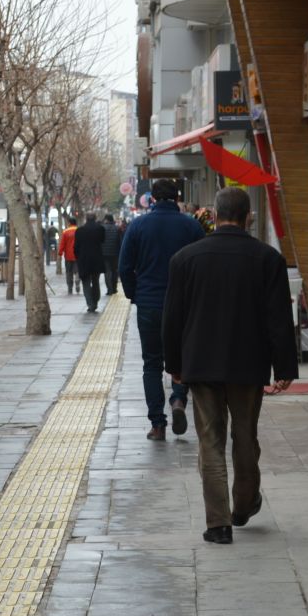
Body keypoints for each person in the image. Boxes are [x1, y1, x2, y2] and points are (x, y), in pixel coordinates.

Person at [163, 187, 296, 544]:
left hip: (201, 364)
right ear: (248, 216)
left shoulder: (185, 259)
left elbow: (172, 318)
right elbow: (279, 318)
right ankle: (243, 504)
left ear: (215, 214)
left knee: (210, 441)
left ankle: (218, 524)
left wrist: (174, 364)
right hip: (248, 365)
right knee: (245, 437)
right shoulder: (268, 259)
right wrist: (285, 367)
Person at [119, 178, 206, 441]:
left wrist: (135, 294)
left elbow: (124, 267)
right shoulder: (191, 226)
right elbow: (203, 263)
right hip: (183, 305)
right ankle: (178, 399)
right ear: (177, 197)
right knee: (182, 358)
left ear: (153, 199)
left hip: (149, 304)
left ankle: (158, 424)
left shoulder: (138, 226)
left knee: (152, 363)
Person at [74, 212, 105, 313]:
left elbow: (76, 247)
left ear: (86, 219)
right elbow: (102, 241)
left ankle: (90, 304)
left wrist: (78, 257)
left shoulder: (79, 230)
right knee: (96, 281)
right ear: (95, 218)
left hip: (84, 260)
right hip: (97, 259)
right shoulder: (100, 229)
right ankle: (95, 301)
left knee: (86, 282)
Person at [101, 214, 120, 295]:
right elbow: (120, 241)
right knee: (114, 271)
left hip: (104, 254)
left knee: (107, 272)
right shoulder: (117, 228)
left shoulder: (102, 228)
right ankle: (114, 288)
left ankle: (109, 289)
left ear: (106, 219)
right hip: (115, 253)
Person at [59, 216, 78, 294]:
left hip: (68, 256)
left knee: (69, 272)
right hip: (77, 255)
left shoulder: (65, 232)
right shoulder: (79, 230)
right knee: (77, 271)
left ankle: (70, 287)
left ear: (69, 223)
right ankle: (77, 279)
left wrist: (60, 252)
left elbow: (62, 244)